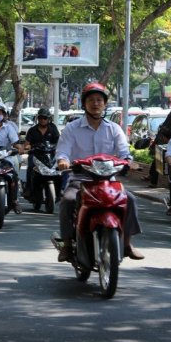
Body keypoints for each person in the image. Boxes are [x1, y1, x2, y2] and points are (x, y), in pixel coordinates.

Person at [55, 82, 144, 261]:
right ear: (84, 104)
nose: (95, 103)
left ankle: (126, 243)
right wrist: (63, 161)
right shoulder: (72, 128)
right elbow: (63, 150)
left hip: (108, 179)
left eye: (99, 100)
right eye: (91, 100)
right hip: (81, 178)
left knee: (130, 199)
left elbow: (124, 152)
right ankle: (66, 243)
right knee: (68, 200)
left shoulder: (114, 128)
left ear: (104, 104)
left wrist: (128, 162)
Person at [23, 107, 60, 199]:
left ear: (48, 119)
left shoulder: (53, 129)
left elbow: (59, 142)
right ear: (37, 119)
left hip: (50, 154)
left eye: (45, 118)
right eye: (40, 118)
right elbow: (26, 144)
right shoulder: (32, 130)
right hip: (36, 154)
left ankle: (60, 189)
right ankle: (28, 189)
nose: (42, 120)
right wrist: (28, 147)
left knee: (59, 169)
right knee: (31, 166)